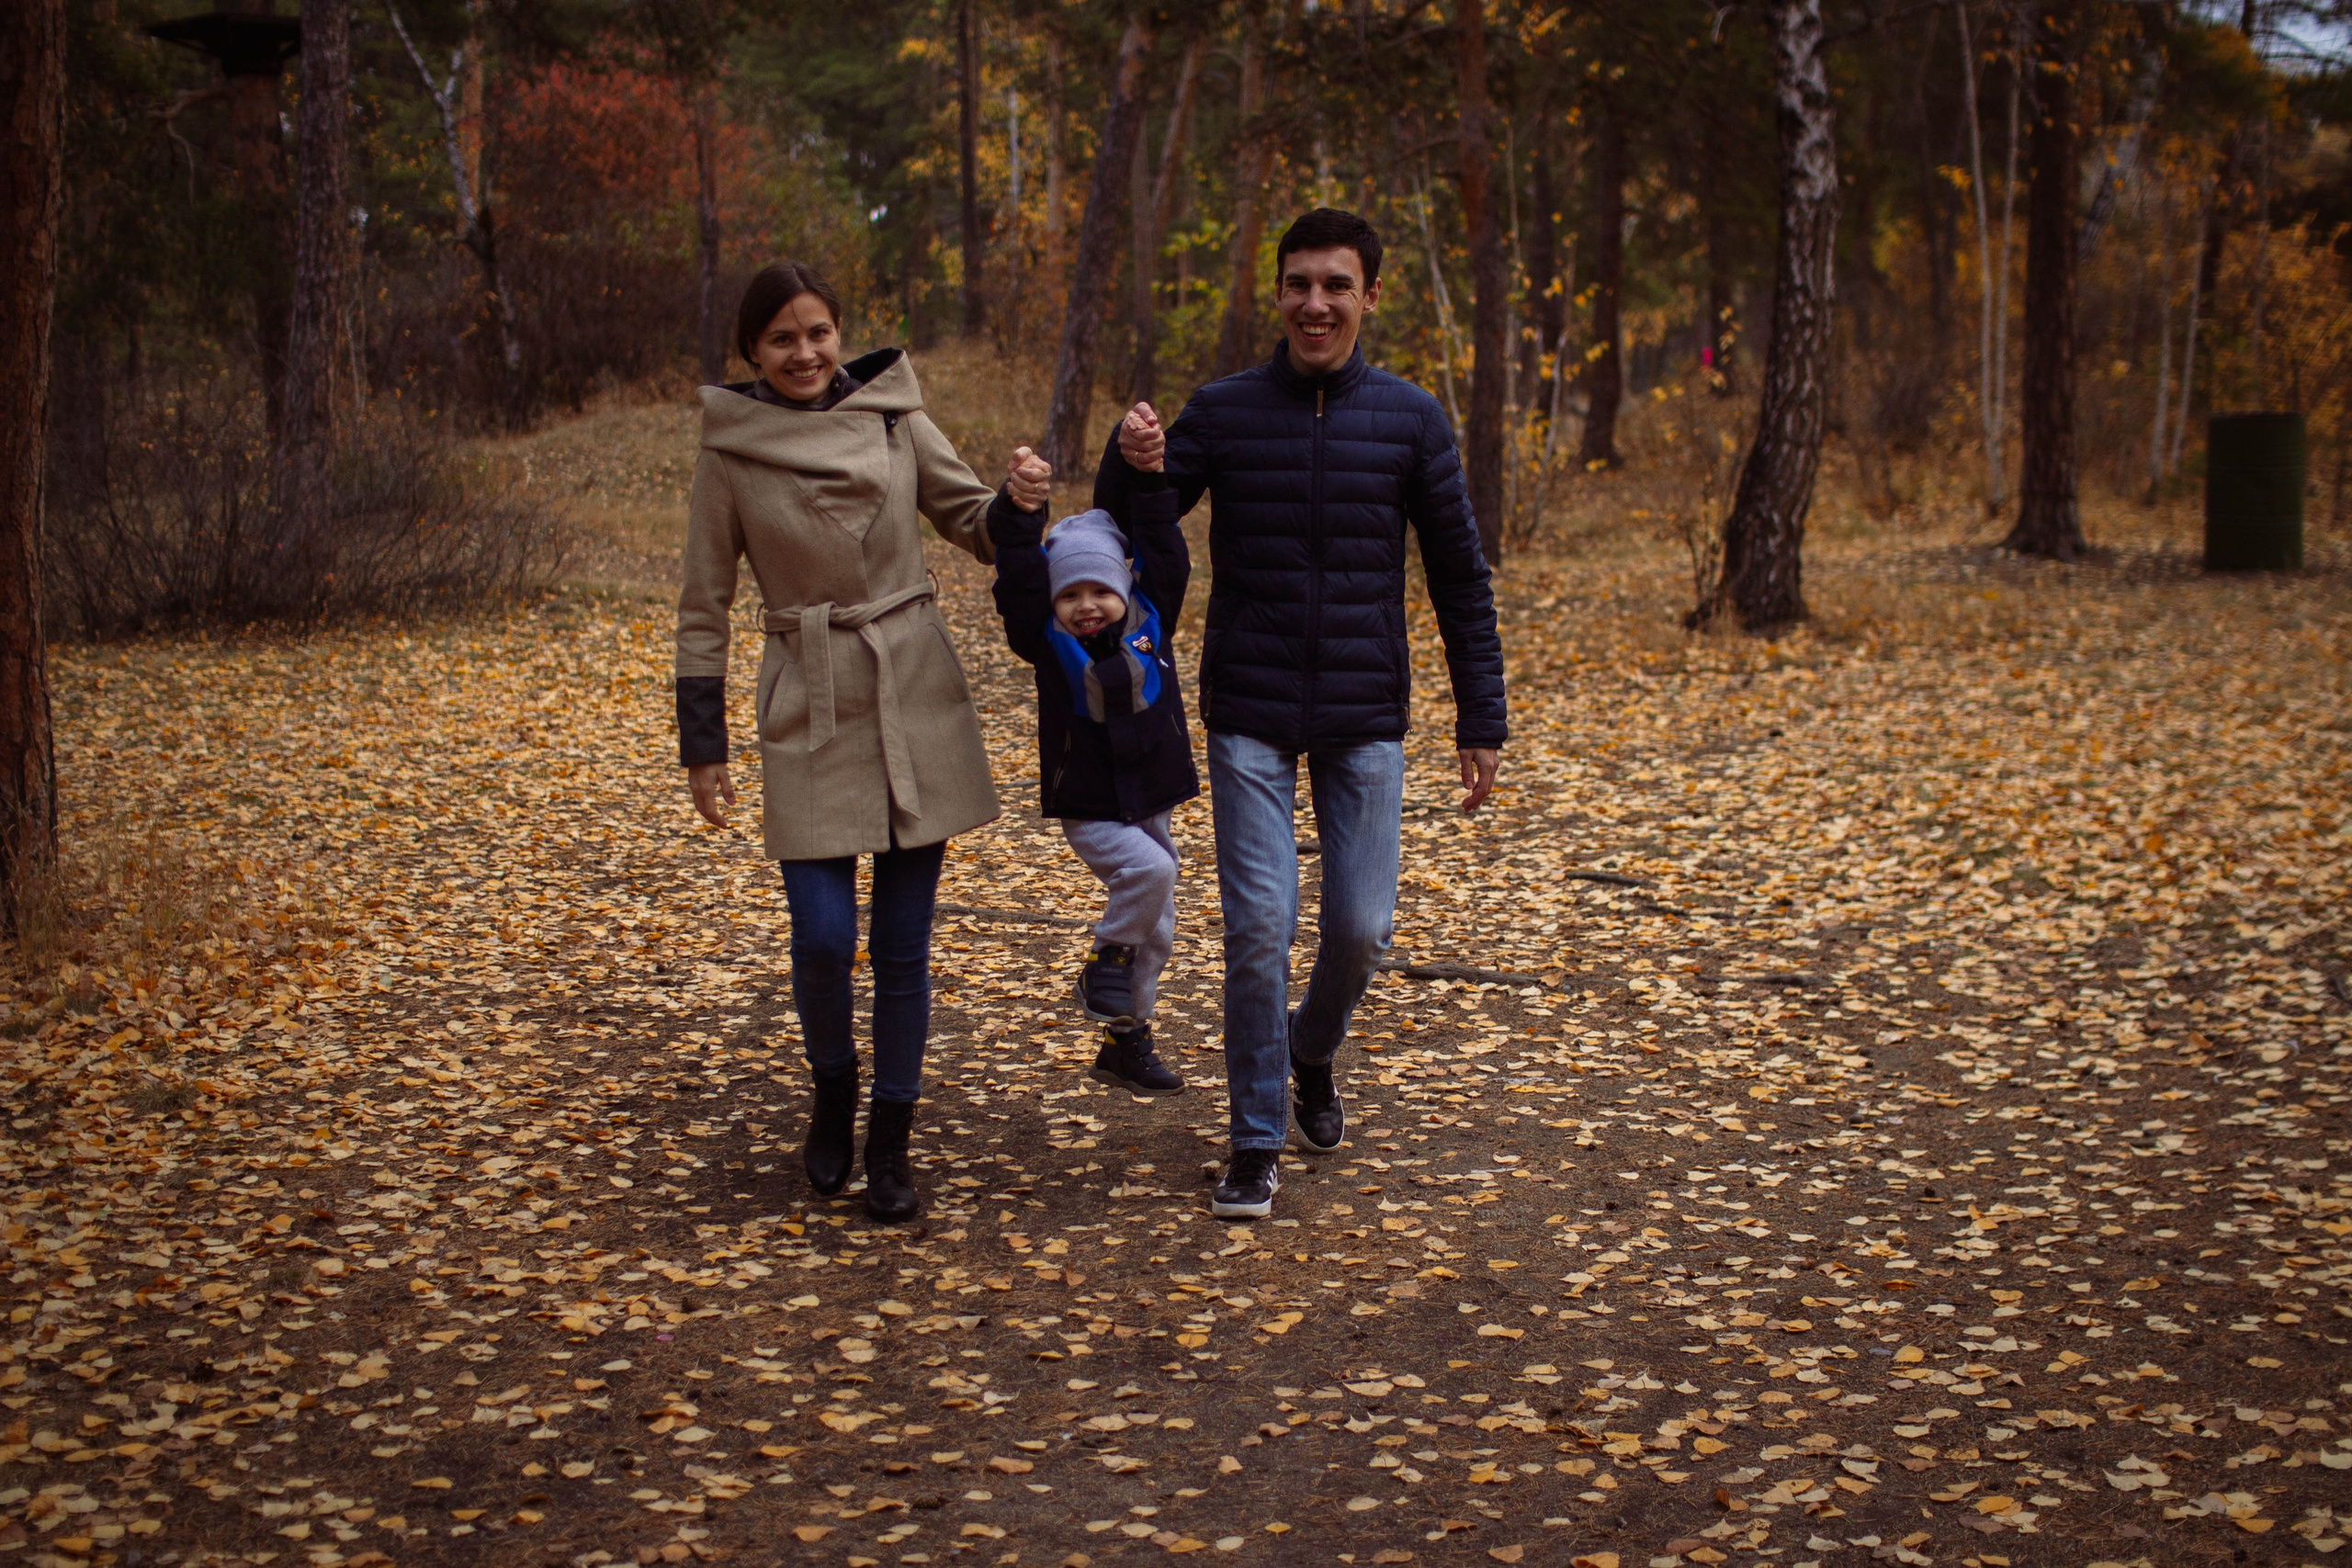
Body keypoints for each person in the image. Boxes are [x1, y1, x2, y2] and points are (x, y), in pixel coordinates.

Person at [1092, 208, 1507, 1220]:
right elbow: (1131, 517)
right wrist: (1128, 453)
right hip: (1250, 710)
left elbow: (1460, 575)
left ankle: (1311, 1049)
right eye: (1297, 285)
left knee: (1360, 931)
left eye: (1335, 285)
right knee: (1258, 930)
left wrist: (1480, 715)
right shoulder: (1225, 411)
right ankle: (1253, 1138)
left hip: (1366, 712)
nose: (1314, 303)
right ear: (1274, 294)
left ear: (1369, 295)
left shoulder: (1410, 420)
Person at [673, 260, 1053, 1224]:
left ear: (840, 335)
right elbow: (703, 606)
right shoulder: (731, 452)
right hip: (808, 689)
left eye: (817, 333)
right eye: (781, 340)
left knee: (900, 946)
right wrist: (703, 743)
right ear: (751, 355)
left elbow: (969, 520)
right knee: (822, 935)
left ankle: (892, 1136)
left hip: (912, 681)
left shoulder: (894, 418)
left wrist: (1016, 505)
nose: (804, 353)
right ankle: (833, 1086)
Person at [989, 420, 1196, 1099]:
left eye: (1098, 591)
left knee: (1157, 927)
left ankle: (1126, 1037)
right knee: (1151, 870)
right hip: (1092, 802)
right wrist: (1022, 513)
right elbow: (1018, 578)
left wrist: (1148, 476)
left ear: (1123, 588)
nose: (1086, 606)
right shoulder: (1046, 644)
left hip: (1152, 793)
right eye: (1070, 594)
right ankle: (1102, 958)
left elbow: (1166, 549)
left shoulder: (1150, 619)